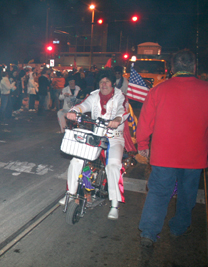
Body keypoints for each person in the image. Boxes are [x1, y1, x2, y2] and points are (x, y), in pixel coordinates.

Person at [137, 50, 208, 248]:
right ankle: (179, 227)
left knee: (158, 192)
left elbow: (145, 122)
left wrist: (142, 145)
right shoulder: (206, 90)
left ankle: (149, 232)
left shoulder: (158, 90)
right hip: (194, 156)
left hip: (163, 155)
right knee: (187, 193)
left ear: (173, 68)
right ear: (194, 67)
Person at [63, 70, 129, 220]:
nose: (104, 85)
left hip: (114, 137)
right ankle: (71, 193)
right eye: (101, 82)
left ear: (112, 83)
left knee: (113, 166)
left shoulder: (120, 96)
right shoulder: (94, 95)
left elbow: (123, 110)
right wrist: (74, 111)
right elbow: (82, 105)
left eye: (107, 81)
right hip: (96, 136)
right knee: (76, 160)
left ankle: (114, 205)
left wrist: (117, 119)